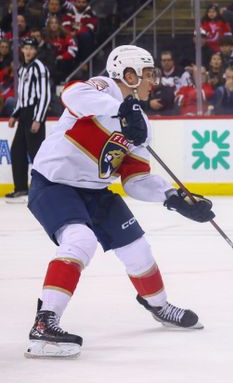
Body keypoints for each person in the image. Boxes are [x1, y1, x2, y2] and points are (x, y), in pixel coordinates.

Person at [24, 45, 213, 358]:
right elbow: (72, 94)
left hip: (96, 191)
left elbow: (135, 180)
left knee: (137, 248)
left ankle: (159, 305)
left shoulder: (142, 126)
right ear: (129, 74)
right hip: (55, 184)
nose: (154, 80)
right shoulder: (103, 89)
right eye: (149, 73)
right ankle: (44, 324)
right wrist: (121, 109)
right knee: (79, 241)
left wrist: (173, 197)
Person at [6, 37, 50, 202]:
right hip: (24, 114)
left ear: (36, 50)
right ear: (22, 50)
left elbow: (44, 96)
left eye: (31, 48)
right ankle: (21, 188)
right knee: (16, 151)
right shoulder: (23, 69)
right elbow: (22, 97)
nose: (28, 51)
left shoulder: (40, 68)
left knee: (36, 153)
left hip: (34, 114)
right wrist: (15, 115)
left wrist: (38, 119)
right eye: (26, 48)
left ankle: (42, 189)